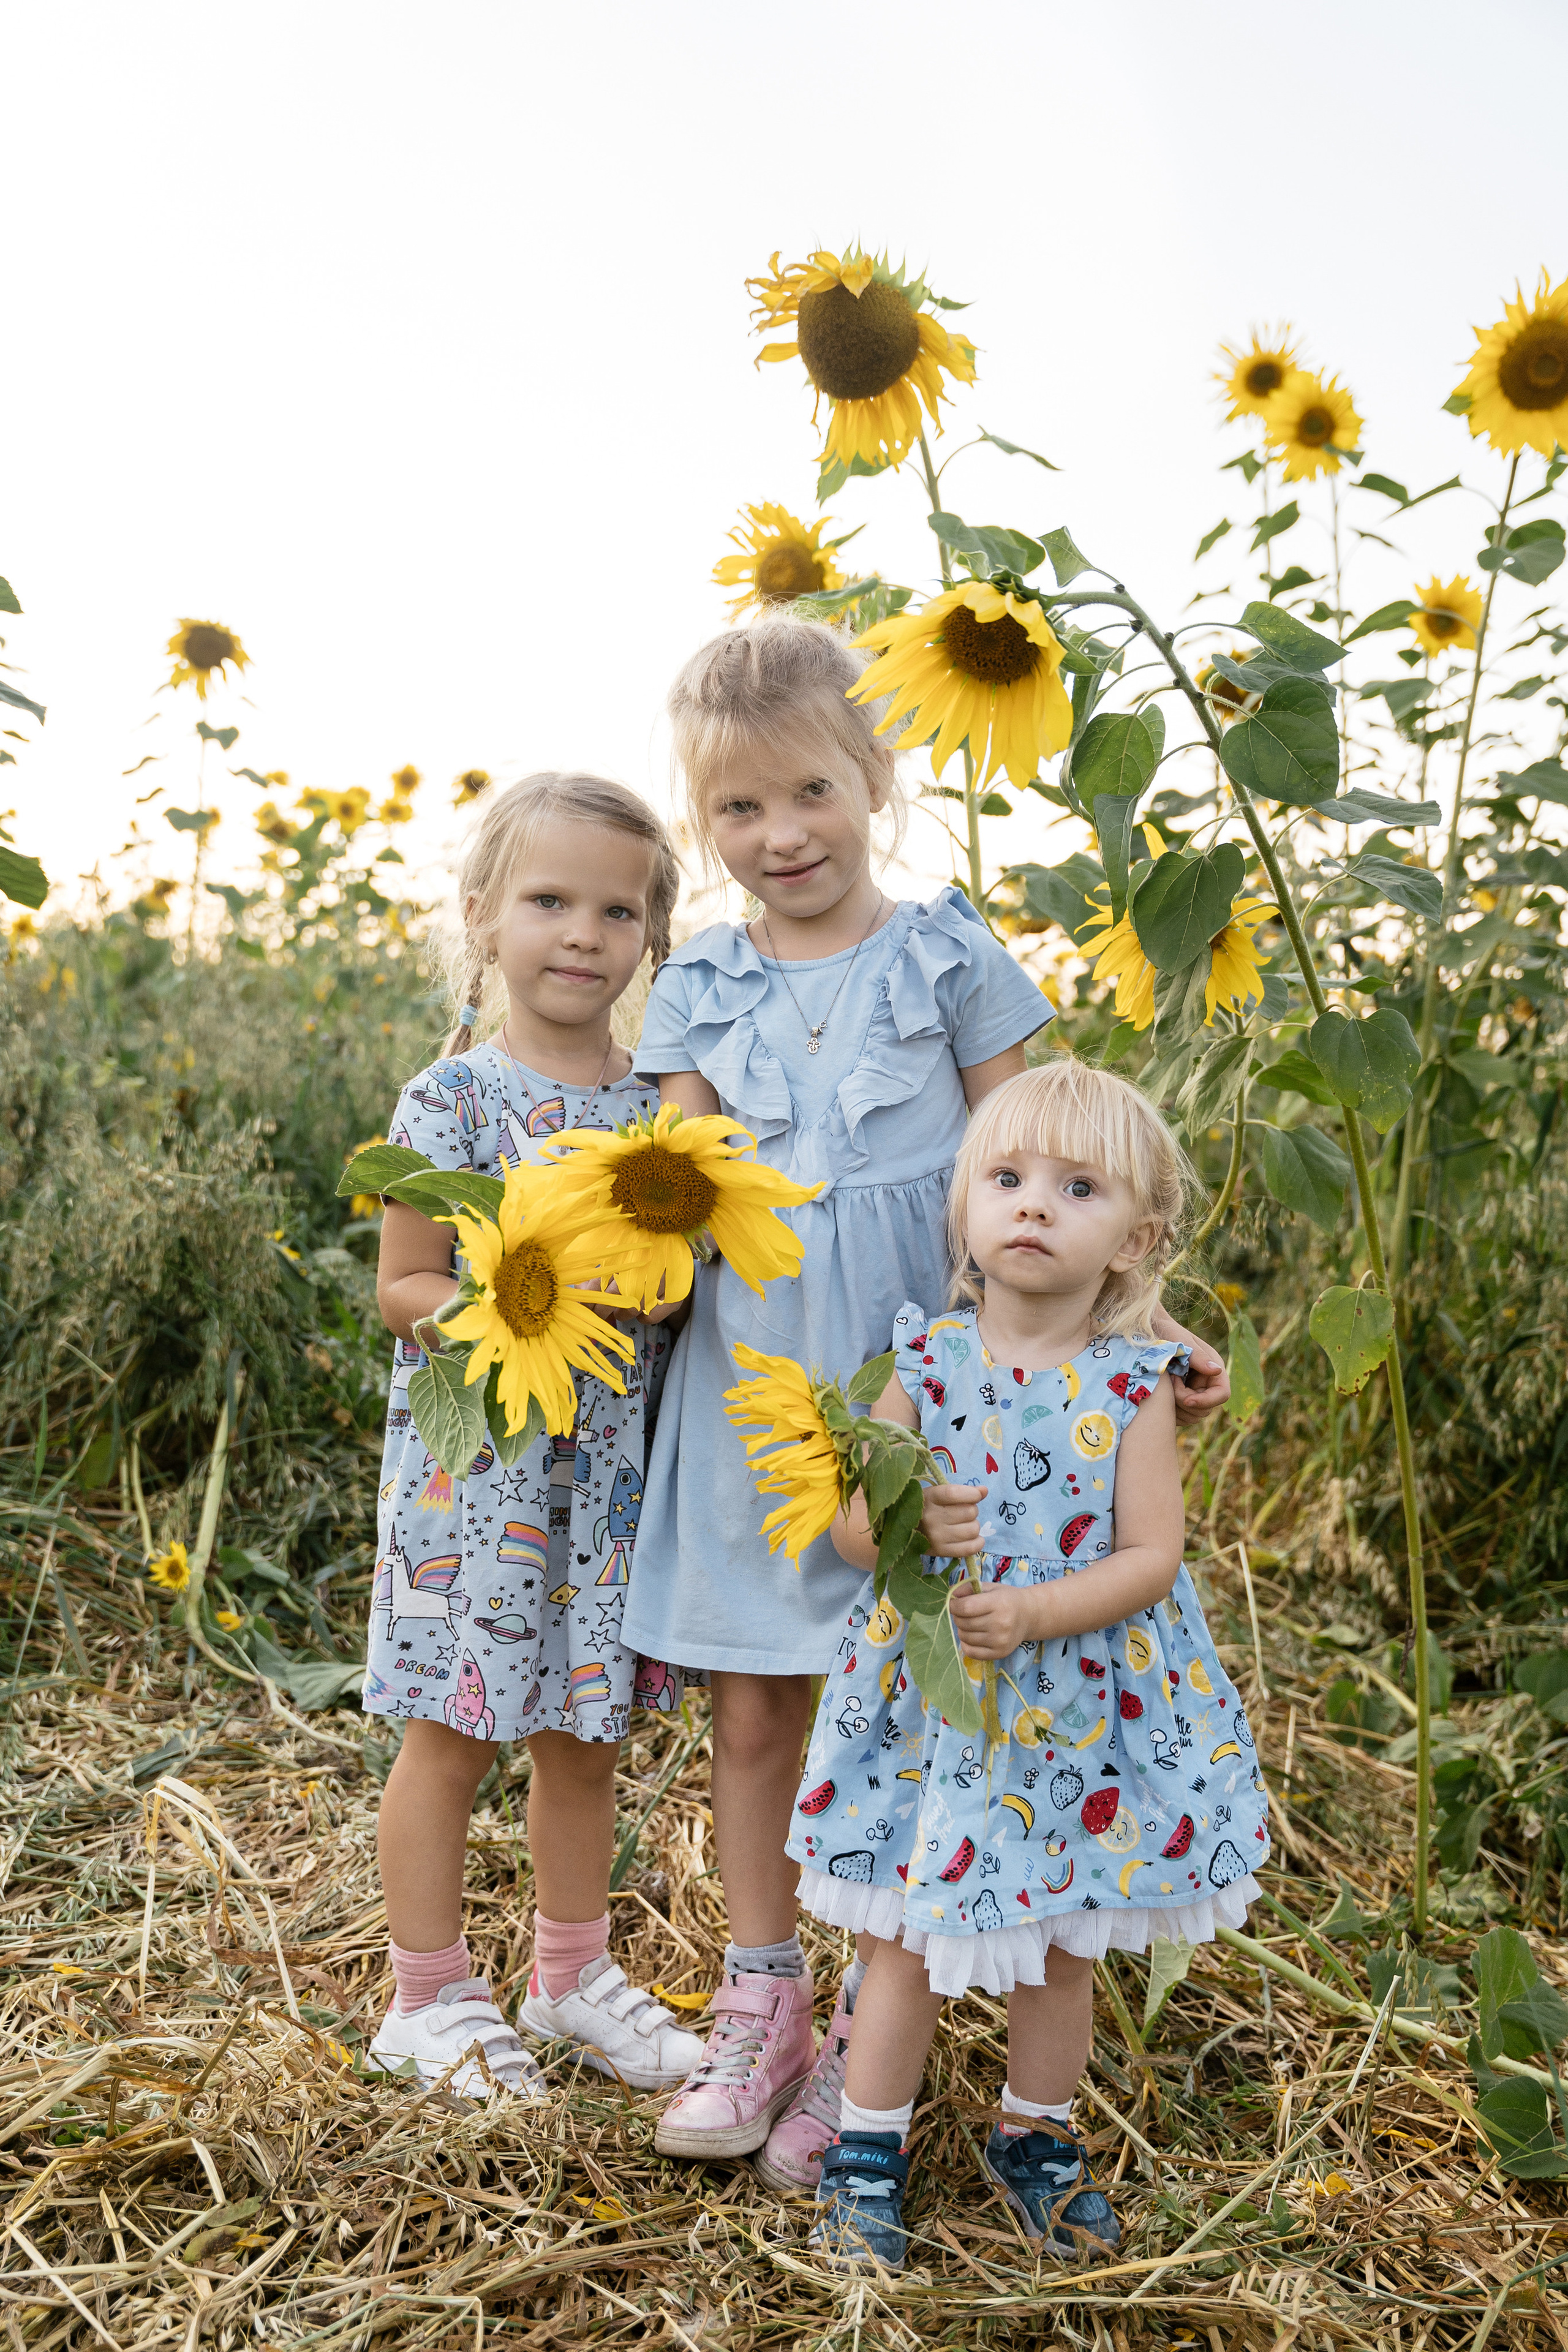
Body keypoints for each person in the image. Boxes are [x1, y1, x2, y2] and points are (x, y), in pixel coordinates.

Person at [622, 614, 1230, 2179]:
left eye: (809, 794)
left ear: (873, 778)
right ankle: (763, 1996)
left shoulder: (948, 953)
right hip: (756, 1393)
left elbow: (1064, 1168)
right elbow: (668, 1192)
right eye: (738, 811)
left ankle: (860, 2042)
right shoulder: (696, 983)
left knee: (914, 1713)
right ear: (706, 825)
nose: (778, 837)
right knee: (754, 1703)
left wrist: (1147, 1346)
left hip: (942, 1409)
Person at [791, 1058, 1270, 2271]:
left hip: (1071, 1717)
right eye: (1003, 1179)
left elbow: (1152, 1555)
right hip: (935, 1711)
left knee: (1059, 1943)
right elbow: (851, 1527)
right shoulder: (929, 1360)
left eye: (1075, 1187)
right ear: (963, 1205)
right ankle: (864, 2150)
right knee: (896, 1940)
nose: (1031, 1206)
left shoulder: (1130, 1384)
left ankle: (1036, 2137)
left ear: (1134, 1238)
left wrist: (1040, 1611)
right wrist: (900, 1525)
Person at [364, 772, 703, 2100]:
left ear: (649, 943)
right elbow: (401, 1286)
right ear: (482, 920)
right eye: (548, 900)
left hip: (607, 1485)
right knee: (447, 1734)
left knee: (585, 1735)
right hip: (476, 1483)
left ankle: (569, 1979)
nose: (580, 933)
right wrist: (514, 1310)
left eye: (615, 910)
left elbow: (686, 1273)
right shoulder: (446, 1103)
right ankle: (427, 1996)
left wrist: (649, 1287)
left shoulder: (661, 1115)